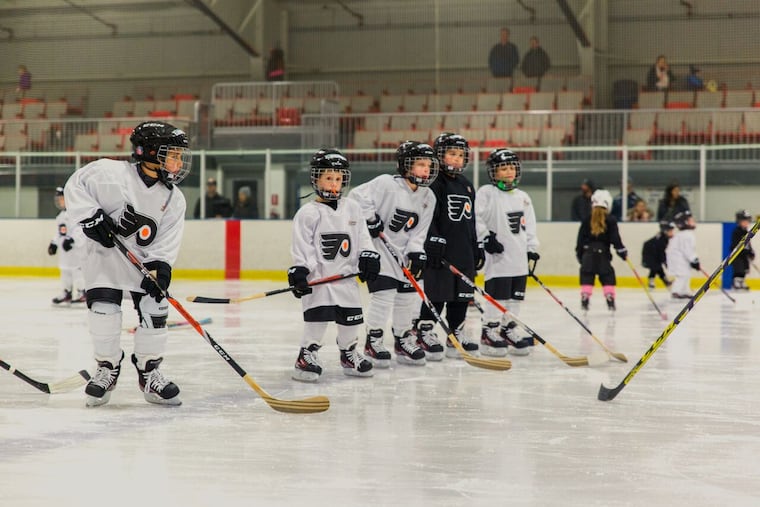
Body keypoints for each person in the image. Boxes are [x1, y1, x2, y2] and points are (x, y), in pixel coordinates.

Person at [63, 121, 192, 407]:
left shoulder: (174, 198)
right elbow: (76, 184)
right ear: (150, 152)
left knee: (155, 310)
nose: (179, 162)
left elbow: (167, 241)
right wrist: (90, 216)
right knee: (104, 313)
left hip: (141, 265)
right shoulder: (109, 173)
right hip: (104, 262)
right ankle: (107, 367)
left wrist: (161, 267)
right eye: (173, 154)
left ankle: (149, 371)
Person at [288, 148, 381, 382]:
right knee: (317, 319)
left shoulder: (352, 208)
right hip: (319, 279)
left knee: (351, 318)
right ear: (316, 179)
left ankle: (349, 353)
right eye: (328, 178)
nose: (334, 184)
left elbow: (362, 237)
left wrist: (369, 255)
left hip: (346, 278)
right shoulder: (308, 213)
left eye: (338, 179)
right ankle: (306, 354)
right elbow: (303, 246)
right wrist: (300, 270)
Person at [348, 141, 439, 366]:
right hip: (381, 252)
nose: (426, 170)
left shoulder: (429, 197)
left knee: (407, 298)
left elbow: (420, 231)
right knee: (384, 296)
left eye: (428, 165)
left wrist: (417, 252)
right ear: (405, 165)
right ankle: (374, 340)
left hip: (404, 256)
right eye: (420, 164)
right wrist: (370, 218)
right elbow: (356, 196)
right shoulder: (386, 184)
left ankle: (402, 338)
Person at [414, 132, 483, 359]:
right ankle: (425, 330)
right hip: (440, 251)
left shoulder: (466, 184)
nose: (456, 159)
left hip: (463, 249)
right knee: (438, 292)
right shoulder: (434, 182)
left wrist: (476, 246)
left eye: (460, 155)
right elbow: (427, 215)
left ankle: (456, 332)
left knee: (462, 294)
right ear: (440, 155)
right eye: (452, 154)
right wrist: (431, 239)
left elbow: (470, 220)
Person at [475, 149, 540, 356]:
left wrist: (532, 248)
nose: (509, 172)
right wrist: (485, 237)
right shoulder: (487, 193)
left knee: (515, 298)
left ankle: (508, 329)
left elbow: (529, 226)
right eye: (503, 168)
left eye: (512, 167)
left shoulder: (523, 196)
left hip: (519, 259)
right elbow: (476, 218)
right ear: (493, 172)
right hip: (499, 258)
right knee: (498, 297)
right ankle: (489, 331)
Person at [575, 189, 628, 311]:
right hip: (603, 254)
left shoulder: (586, 220)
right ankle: (609, 297)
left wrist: (580, 255)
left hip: (588, 255)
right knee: (607, 275)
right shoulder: (611, 220)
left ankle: (585, 297)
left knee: (587, 275)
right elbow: (616, 240)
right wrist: (622, 252)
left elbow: (580, 241)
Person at [48, 186, 87, 305]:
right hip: (65, 252)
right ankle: (67, 292)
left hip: (75, 250)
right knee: (65, 271)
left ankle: (82, 292)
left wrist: (72, 239)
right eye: (58, 199)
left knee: (77, 271)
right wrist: (54, 243)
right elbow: (59, 232)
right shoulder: (60, 216)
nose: (60, 202)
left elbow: (81, 229)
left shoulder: (75, 213)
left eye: (62, 199)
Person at [666, 210, 700, 299]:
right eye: (690, 220)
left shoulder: (683, 234)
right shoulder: (687, 235)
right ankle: (676, 291)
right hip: (678, 259)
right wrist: (694, 260)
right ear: (684, 223)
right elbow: (688, 250)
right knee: (682, 275)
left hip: (679, 258)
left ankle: (685, 290)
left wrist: (693, 260)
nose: (693, 221)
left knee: (686, 274)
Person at [642, 220, 675, 289]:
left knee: (657, 267)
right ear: (665, 231)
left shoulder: (663, 237)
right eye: (670, 231)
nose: (672, 233)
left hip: (653, 252)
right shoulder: (662, 240)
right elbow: (661, 253)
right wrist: (665, 262)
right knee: (656, 266)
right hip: (649, 253)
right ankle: (653, 281)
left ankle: (664, 282)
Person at [730, 209, 755, 290]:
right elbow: (735, 245)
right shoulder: (737, 232)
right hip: (738, 255)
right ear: (739, 221)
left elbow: (748, 244)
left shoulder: (746, 232)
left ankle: (742, 281)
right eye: (744, 221)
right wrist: (744, 251)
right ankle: (736, 282)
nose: (746, 223)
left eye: (747, 221)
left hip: (744, 254)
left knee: (745, 268)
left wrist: (751, 251)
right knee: (739, 267)